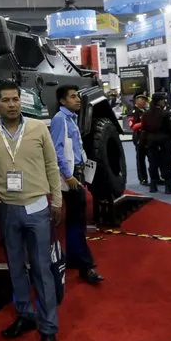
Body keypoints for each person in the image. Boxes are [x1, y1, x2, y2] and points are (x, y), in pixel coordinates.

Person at [0, 80, 62, 341]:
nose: (12, 104)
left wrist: (56, 200)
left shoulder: (37, 128)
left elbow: (51, 165)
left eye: (16, 99)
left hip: (37, 207)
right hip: (7, 208)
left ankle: (48, 330)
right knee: (16, 267)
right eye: (6, 100)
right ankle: (25, 314)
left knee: (42, 270)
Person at [49, 85, 104, 285]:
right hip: (70, 177)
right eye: (73, 97)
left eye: (78, 96)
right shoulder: (59, 119)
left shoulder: (70, 118)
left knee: (75, 219)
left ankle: (75, 259)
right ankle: (85, 265)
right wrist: (68, 175)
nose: (78, 99)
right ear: (62, 101)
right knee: (77, 219)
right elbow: (57, 149)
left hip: (77, 173)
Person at [141, 93, 171, 194]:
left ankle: (153, 186)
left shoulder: (146, 114)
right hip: (164, 141)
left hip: (151, 141)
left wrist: (144, 142)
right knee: (166, 163)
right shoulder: (165, 113)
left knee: (153, 163)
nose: (164, 101)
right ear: (159, 101)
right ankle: (168, 187)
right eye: (163, 100)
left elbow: (144, 129)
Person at [127, 91, 149, 185]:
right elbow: (132, 126)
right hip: (139, 137)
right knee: (141, 159)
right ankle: (143, 178)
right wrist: (144, 123)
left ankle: (155, 178)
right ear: (137, 101)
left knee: (152, 158)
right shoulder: (133, 112)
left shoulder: (147, 111)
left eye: (145, 100)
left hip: (148, 137)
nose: (144, 101)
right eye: (142, 99)